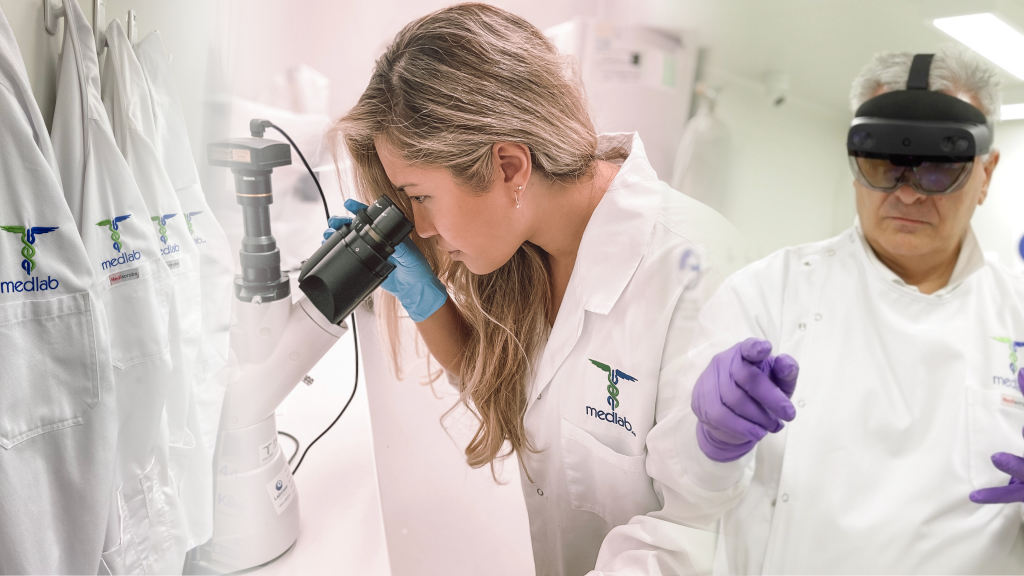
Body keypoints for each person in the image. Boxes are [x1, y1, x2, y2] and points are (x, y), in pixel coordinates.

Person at [323, 4, 745, 575]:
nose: (420, 228)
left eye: (420, 196)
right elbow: (512, 392)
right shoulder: (528, 252)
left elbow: (693, 540)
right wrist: (428, 302)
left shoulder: (699, 273)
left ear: (510, 167)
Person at [596, 45, 1024, 574]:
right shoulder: (766, 296)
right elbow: (686, 503)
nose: (908, 193)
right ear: (854, 164)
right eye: (884, 162)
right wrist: (711, 441)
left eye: (939, 169)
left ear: (986, 174)